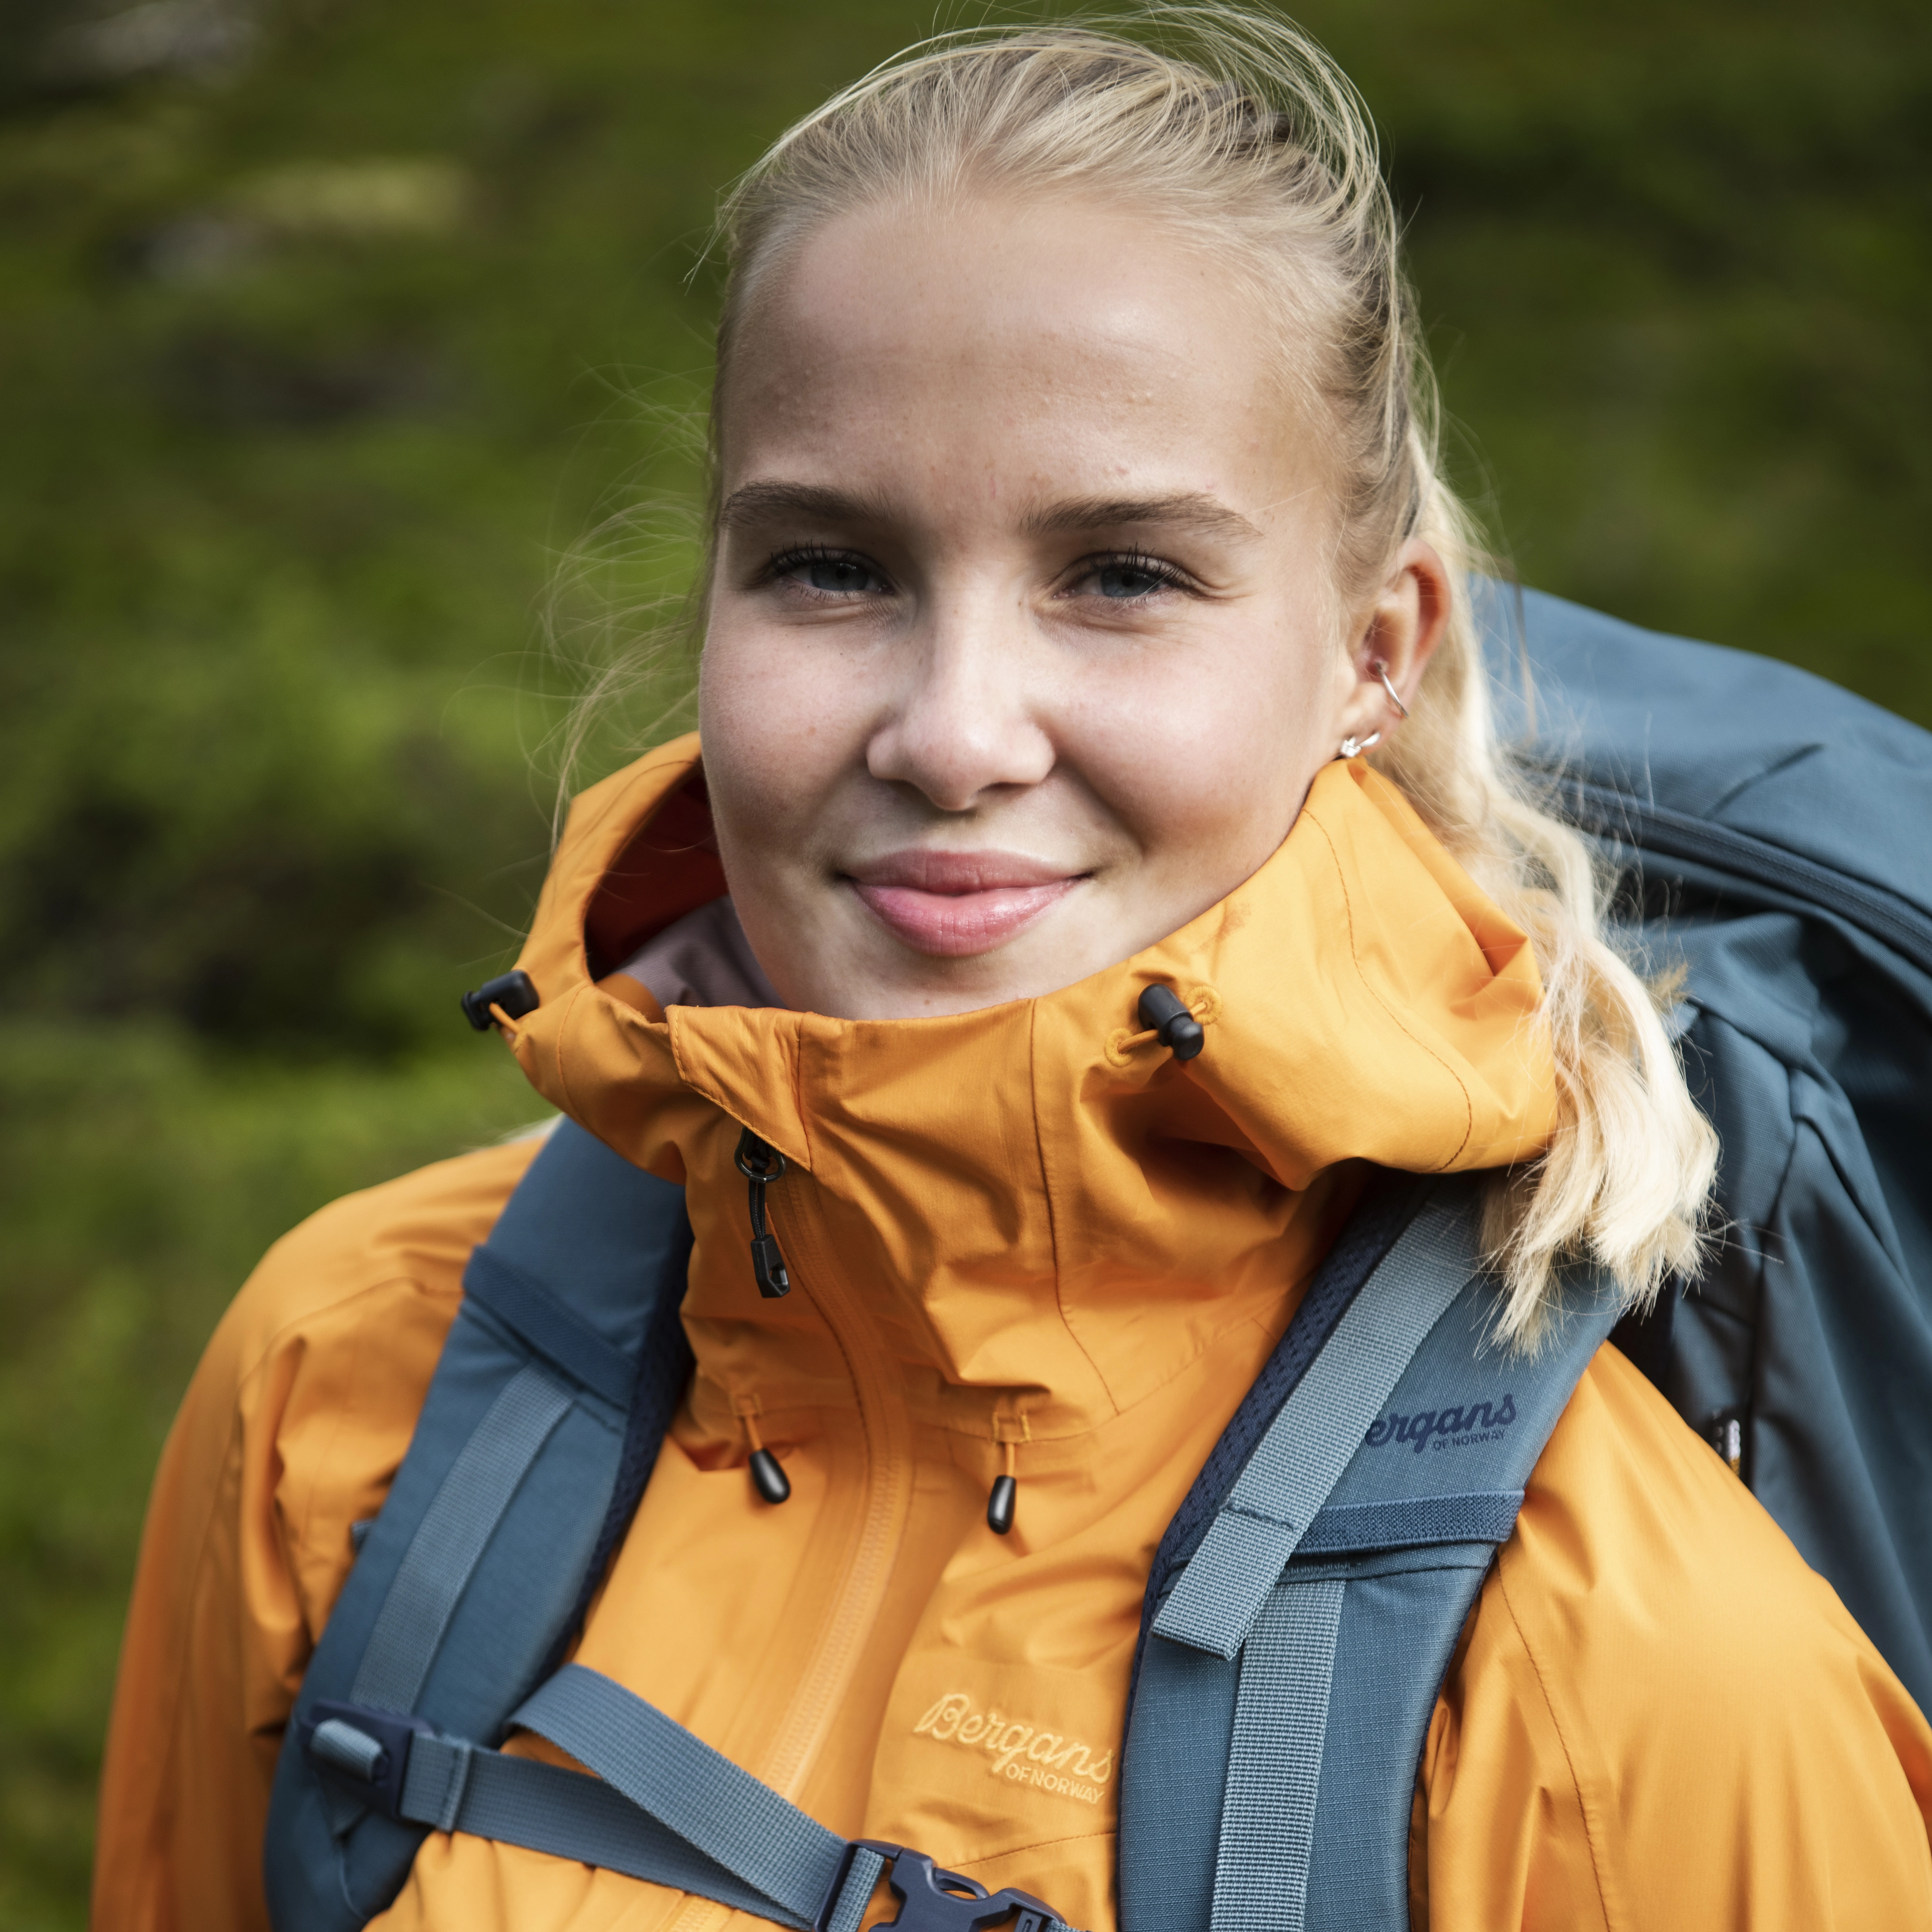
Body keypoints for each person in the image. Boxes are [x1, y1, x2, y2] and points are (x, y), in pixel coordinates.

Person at [93, 10, 1932, 1930]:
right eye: (832, 566)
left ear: (1372, 649)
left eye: (1122, 572)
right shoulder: (348, 1386)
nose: (954, 733)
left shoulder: (1610, 1683)